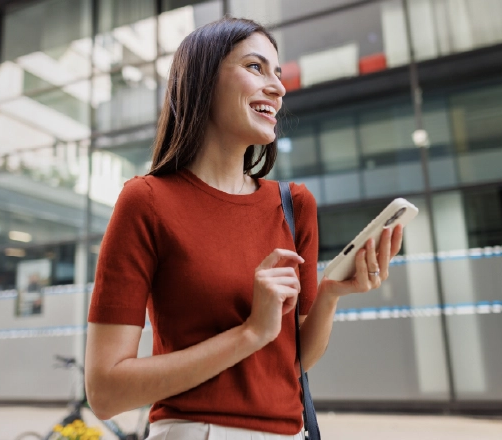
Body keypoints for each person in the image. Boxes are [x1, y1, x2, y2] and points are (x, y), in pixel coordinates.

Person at [83, 17, 405, 440]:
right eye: (256, 67)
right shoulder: (146, 202)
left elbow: (294, 360)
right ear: (202, 80)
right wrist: (251, 332)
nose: (278, 86)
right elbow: (105, 391)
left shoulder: (294, 205)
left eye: (277, 72)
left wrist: (329, 294)